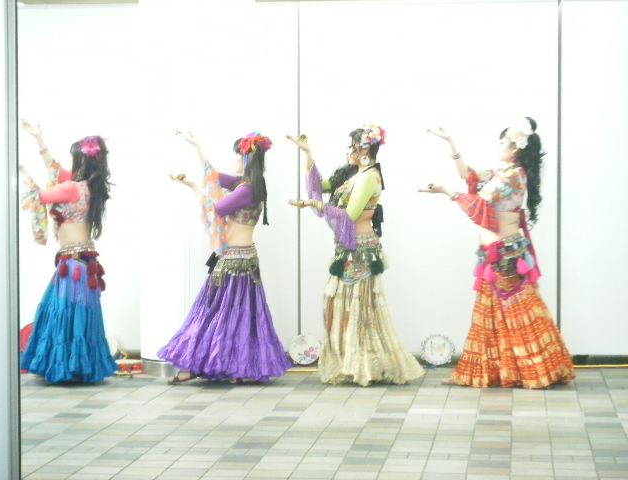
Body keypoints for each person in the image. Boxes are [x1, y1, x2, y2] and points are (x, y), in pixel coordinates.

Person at [421, 117, 575, 389]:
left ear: (515, 147)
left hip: (505, 255)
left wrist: (446, 192)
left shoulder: (512, 176)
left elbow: (479, 203)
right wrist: (450, 141)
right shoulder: (505, 173)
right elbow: (467, 175)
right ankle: (502, 372)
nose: (498, 147)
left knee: (517, 313)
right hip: (495, 254)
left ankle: (538, 371)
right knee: (496, 316)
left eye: (502, 142)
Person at [288, 125, 425, 386]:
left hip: (361, 250)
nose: (349, 151)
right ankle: (354, 365)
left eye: (353, 146)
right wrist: (308, 154)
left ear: (365, 149)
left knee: (359, 309)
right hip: (347, 249)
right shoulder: (354, 175)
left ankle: (368, 367)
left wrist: (315, 204)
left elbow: (350, 215)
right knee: (340, 308)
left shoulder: (370, 177)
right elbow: (321, 185)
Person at [158, 131, 292, 384]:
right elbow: (214, 176)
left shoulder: (247, 189)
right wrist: (198, 147)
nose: (233, 161)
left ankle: (229, 368)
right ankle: (228, 368)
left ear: (247, 160)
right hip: (239, 259)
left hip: (235, 261)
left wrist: (195, 189)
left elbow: (217, 209)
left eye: (237, 157)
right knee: (234, 315)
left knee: (218, 313)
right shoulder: (246, 185)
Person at [19, 120, 118, 384]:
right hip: (82, 262)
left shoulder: (73, 188)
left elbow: (39, 196)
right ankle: (78, 367)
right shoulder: (88, 186)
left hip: (73, 264)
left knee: (65, 314)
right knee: (77, 315)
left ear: (81, 161)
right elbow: (54, 170)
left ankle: (68, 368)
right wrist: (39, 138)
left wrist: (22, 172)